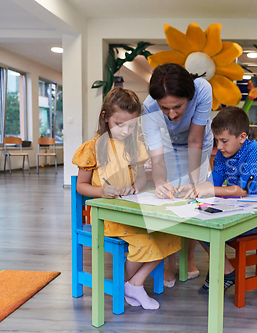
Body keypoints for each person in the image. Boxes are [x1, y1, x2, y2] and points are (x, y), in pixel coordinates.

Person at [72, 87, 181, 310]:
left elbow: (141, 178)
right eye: (120, 124)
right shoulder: (92, 148)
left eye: (131, 126)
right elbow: (81, 186)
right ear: (105, 117)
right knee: (148, 242)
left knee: (169, 235)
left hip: (131, 212)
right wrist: (102, 191)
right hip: (107, 218)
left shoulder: (134, 146)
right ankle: (133, 285)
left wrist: (134, 186)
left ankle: (131, 284)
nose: (125, 130)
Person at [181, 106, 257, 294]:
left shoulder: (254, 152)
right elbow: (213, 181)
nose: (219, 146)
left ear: (242, 137)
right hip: (236, 209)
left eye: (224, 141)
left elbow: (242, 190)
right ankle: (228, 270)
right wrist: (195, 189)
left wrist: (210, 189)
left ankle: (223, 271)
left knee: (211, 230)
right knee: (199, 225)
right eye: (217, 141)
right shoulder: (225, 154)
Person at [142, 63, 214, 286]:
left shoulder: (201, 90)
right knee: (169, 198)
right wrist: (160, 181)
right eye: (165, 108)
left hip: (197, 144)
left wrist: (195, 184)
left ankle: (189, 259)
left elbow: (194, 139)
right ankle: (169, 261)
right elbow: (157, 157)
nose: (172, 114)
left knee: (194, 200)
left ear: (189, 97)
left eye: (177, 107)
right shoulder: (148, 107)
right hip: (168, 145)